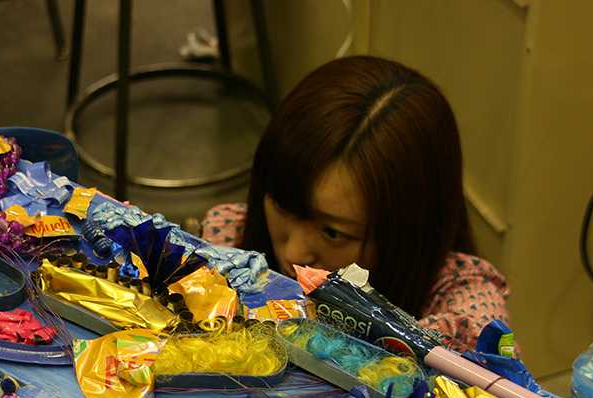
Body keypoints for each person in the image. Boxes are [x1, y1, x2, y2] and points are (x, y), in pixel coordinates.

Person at [202, 56, 509, 352]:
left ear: (407, 232)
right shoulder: (227, 244)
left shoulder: (466, 317)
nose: (294, 253)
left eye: (333, 232)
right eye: (283, 206)